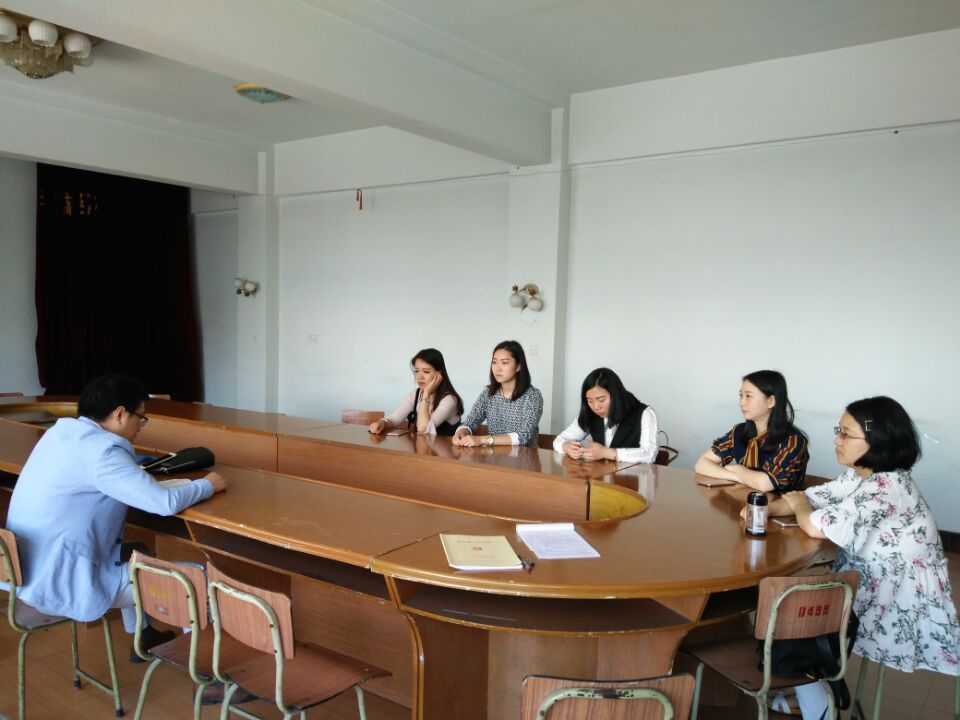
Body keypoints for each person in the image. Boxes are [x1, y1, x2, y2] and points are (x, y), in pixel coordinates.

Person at [755, 396, 959, 718]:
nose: (837, 440)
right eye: (839, 431)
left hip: (895, 598)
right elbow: (814, 497)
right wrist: (764, 509)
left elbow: (813, 524)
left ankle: (819, 704)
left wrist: (797, 506)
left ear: (877, 441)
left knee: (793, 621)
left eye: (846, 434)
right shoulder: (861, 474)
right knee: (793, 614)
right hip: (866, 581)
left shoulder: (886, 488)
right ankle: (814, 690)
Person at [5, 374, 227, 659]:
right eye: (141, 418)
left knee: (136, 551)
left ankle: (143, 637)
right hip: (64, 578)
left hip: (27, 569)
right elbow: (163, 503)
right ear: (120, 414)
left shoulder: (59, 435)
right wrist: (207, 485)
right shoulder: (104, 452)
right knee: (196, 578)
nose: (140, 427)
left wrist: (134, 472)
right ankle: (203, 666)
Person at [695, 369, 808, 492]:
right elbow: (701, 464)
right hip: (742, 499)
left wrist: (737, 469)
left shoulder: (793, 440)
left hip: (777, 503)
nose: (742, 403)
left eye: (748, 396)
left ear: (771, 401)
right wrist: (735, 476)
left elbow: (766, 484)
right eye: (741, 396)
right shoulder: (738, 431)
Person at [553, 367, 659, 463]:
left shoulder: (645, 414)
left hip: (632, 476)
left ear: (616, 395)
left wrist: (606, 453)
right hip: (600, 476)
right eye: (590, 401)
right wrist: (566, 447)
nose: (596, 407)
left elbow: (650, 454)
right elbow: (559, 440)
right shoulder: (589, 414)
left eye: (601, 400)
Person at [453, 340, 543, 448]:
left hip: (525, 455)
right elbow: (470, 422)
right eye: (494, 362)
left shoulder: (533, 396)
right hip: (495, 455)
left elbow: (524, 436)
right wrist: (461, 433)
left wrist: (483, 440)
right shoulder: (488, 394)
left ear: (518, 366)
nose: (497, 368)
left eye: (504, 363)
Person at [368, 348, 464, 436]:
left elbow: (423, 429)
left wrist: (426, 393)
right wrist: (382, 423)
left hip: (445, 450)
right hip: (423, 448)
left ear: (439, 374)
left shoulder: (449, 399)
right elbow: (394, 419)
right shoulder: (416, 394)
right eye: (417, 371)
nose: (419, 377)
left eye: (426, 372)